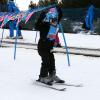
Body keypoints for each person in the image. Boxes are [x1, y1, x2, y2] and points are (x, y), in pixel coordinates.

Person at [35, 6, 65, 85]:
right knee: (46, 61)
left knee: (52, 60)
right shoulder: (45, 23)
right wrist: (41, 17)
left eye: (56, 16)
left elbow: (60, 15)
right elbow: (37, 26)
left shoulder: (55, 23)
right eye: (53, 16)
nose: (55, 19)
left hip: (49, 46)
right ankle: (42, 77)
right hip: (42, 45)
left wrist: (58, 8)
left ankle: (52, 75)